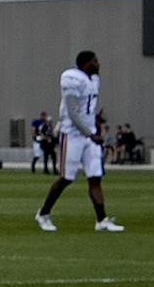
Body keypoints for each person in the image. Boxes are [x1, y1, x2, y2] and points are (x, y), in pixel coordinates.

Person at [37, 50, 123, 233]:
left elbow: (89, 109)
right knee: (66, 178)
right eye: (95, 61)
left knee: (95, 178)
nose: (98, 64)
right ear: (85, 63)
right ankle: (43, 214)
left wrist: (96, 128)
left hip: (90, 135)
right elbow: (72, 111)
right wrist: (90, 133)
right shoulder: (71, 78)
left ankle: (102, 220)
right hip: (73, 134)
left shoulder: (93, 80)